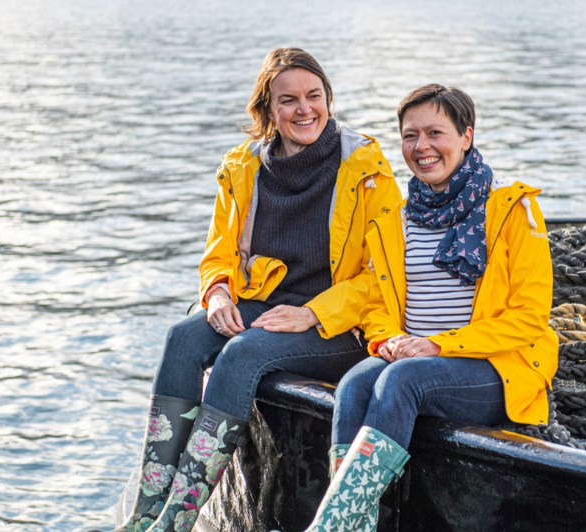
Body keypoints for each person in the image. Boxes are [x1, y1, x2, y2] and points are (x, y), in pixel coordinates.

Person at [96, 47, 401, 532]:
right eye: (288, 100)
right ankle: (145, 514)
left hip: (339, 324)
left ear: (328, 99)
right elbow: (220, 252)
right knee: (182, 339)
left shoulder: (366, 168)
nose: (304, 109)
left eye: (314, 96)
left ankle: (178, 519)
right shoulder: (244, 167)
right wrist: (216, 291)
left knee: (241, 354)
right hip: (265, 304)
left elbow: (384, 274)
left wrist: (315, 313)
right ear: (268, 110)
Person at [300, 85, 557, 532]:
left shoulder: (514, 209)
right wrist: (389, 340)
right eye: (410, 135)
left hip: (493, 368)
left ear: (466, 137)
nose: (421, 147)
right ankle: (354, 525)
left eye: (435, 132)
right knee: (352, 387)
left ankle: (331, 526)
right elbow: (378, 304)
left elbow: (529, 317)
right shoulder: (396, 219)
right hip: (414, 356)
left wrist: (437, 346)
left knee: (403, 380)